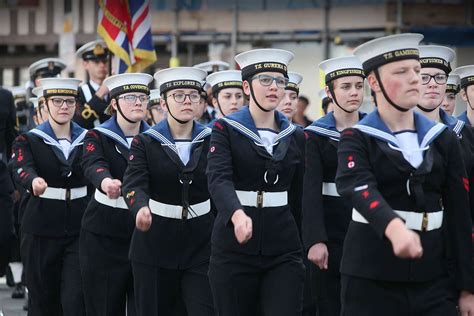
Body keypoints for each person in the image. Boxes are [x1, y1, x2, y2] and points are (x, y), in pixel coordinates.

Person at [335, 33, 474, 315]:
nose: (414, 78)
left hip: (433, 276)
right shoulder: (357, 137)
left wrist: (467, 286)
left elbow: (460, 213)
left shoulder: (442, 138)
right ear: (373, 83)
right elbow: (358, 187)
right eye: (402, 71)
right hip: (372, 276)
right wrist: (394, 227)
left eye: (416, 70)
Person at [207, 48, 305, 315]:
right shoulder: (225, 129)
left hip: (283, 247)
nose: (274, 87)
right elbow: (218, 179)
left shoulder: (294, 135)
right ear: (247, 87)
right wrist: (237, 215)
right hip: (233, 247)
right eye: (265, 80)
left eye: (280, 81)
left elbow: (299, 193)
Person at [122, 67, 215, 316]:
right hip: (154, 241)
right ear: (163, 103)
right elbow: (133, 184)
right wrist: (140, 207)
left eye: (193, 95)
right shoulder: (146, 141)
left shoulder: (212, 139)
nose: (187, 100)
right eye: (179, 95)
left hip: (200, 242)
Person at [10, 77, 88, 316]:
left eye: (69, 101)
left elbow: (97, 167)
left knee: (75, 300)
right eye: (57, 101)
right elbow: (20, 167)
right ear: (44, 105)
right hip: (41, 227)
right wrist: (33, 180)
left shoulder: (88, 138)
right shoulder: (29, 139)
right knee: (43, 300)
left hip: (79, 226)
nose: (64, 106)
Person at [80, 73, 152, 316]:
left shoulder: (157, 138)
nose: (138, 102)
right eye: (131, 97)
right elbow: (92, 163)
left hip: (146, 231)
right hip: (105, 232)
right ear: (114, 104)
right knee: (104, 305)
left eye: (143, 97)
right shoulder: (97, 135)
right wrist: (105, 181)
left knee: (146, 306)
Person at [303, 55, 365, 316]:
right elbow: (310, 190)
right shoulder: (316, 134)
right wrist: (315, 239)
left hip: (367, 229)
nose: (354, 93)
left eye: (359, 86)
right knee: (329, 304)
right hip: (331, 230)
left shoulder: (374, 130)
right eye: (346, 87)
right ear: (329, 91)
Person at [75, 40, 111, 129]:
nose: (102, 65)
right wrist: (100, 94)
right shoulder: (79, 93)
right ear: (85, 64)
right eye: (96, 62)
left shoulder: (115, 91)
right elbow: (79, 123)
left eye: (104, 61)